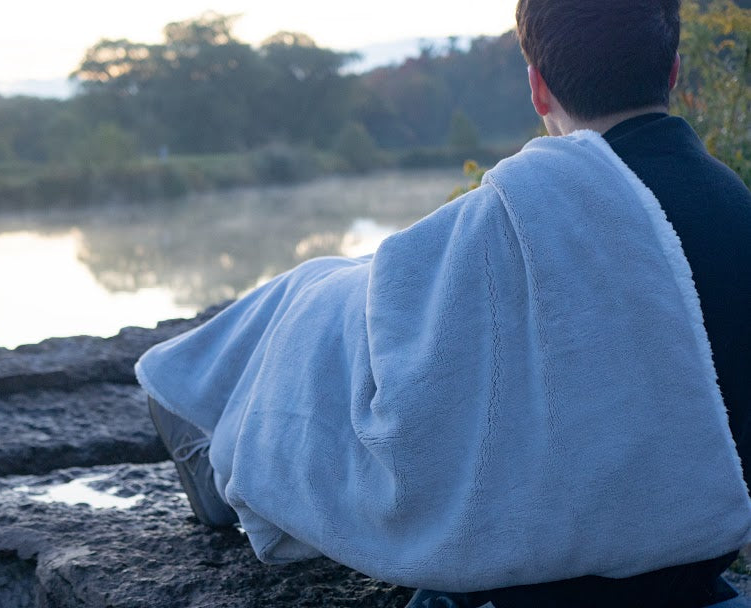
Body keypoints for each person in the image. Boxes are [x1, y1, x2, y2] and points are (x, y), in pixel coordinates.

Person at [136, 1, 751, 606]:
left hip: (544, 580)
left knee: (327, 304)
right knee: (335, 285)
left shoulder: (510, 217)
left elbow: (416, 377)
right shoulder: (734, 207)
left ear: (538, 88)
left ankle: (216, 438)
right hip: (693, 564)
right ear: (672, 70)